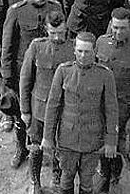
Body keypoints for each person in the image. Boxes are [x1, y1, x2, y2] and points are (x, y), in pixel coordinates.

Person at [0, 0, 64, 168]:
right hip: (23, 73)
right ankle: (21, 148)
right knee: (21, 114)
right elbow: (7, 46)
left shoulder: (56, 7)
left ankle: (50, 153)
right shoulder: (16, 10)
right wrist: (7, 77)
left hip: (48, 72)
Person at [43, 32, 118, 194]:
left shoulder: (105, 75)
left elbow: (111, 109)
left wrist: (111, 140)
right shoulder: (63, 71)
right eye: (80, 51)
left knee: (87, 180)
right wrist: (47, 137)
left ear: (94, 52)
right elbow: (53, 106)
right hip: (67, 139)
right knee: (66, 177)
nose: (83, 55)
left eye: (87, 51)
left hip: (92, 139)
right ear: (74, 51)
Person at [19, 10, 73, 194]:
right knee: (36, 147)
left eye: (61, 33)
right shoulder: (37, 47)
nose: (57, 37)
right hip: (39, 108)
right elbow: (25, 80)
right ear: (46, 30)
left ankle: (57, 176)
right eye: (52, 33)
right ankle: (35, 181)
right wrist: (25, 110)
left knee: (60, 146)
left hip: (63, 110)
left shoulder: (74, 49)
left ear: (66, 28)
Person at [94, 8, 130, 193]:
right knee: (102, 140)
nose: (118, 32)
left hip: (124, 107)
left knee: (118, 143)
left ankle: (115, 171)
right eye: (115, 27)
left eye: (123, 28)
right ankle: (104, 171)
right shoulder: (101, 42)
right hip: (102, 105)